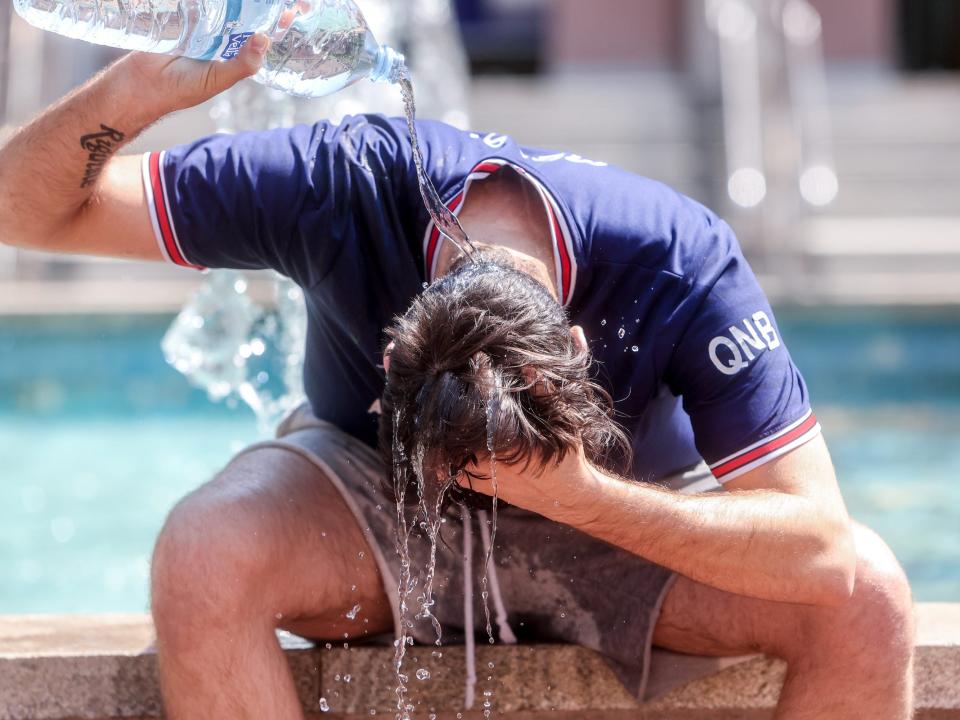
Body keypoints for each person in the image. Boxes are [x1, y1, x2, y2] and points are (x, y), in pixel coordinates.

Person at [0, 39, 915, 719]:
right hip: (369, 499)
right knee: (203, 550)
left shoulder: (680, 261)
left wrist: (586, 495)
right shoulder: (337, 181)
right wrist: (131, 91)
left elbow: (823, 547)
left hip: (619, 508)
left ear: (581, 362)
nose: (464, 488)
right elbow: (22, 210)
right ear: (395, 353)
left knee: (869, 599)